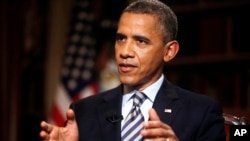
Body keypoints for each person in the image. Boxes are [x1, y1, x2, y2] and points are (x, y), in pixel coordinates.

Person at [40, 0, 226, 140]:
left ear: (169, 51)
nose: (125, 52)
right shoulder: (83, 112)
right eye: (121, 39)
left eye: (141, 41)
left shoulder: (202, 113)